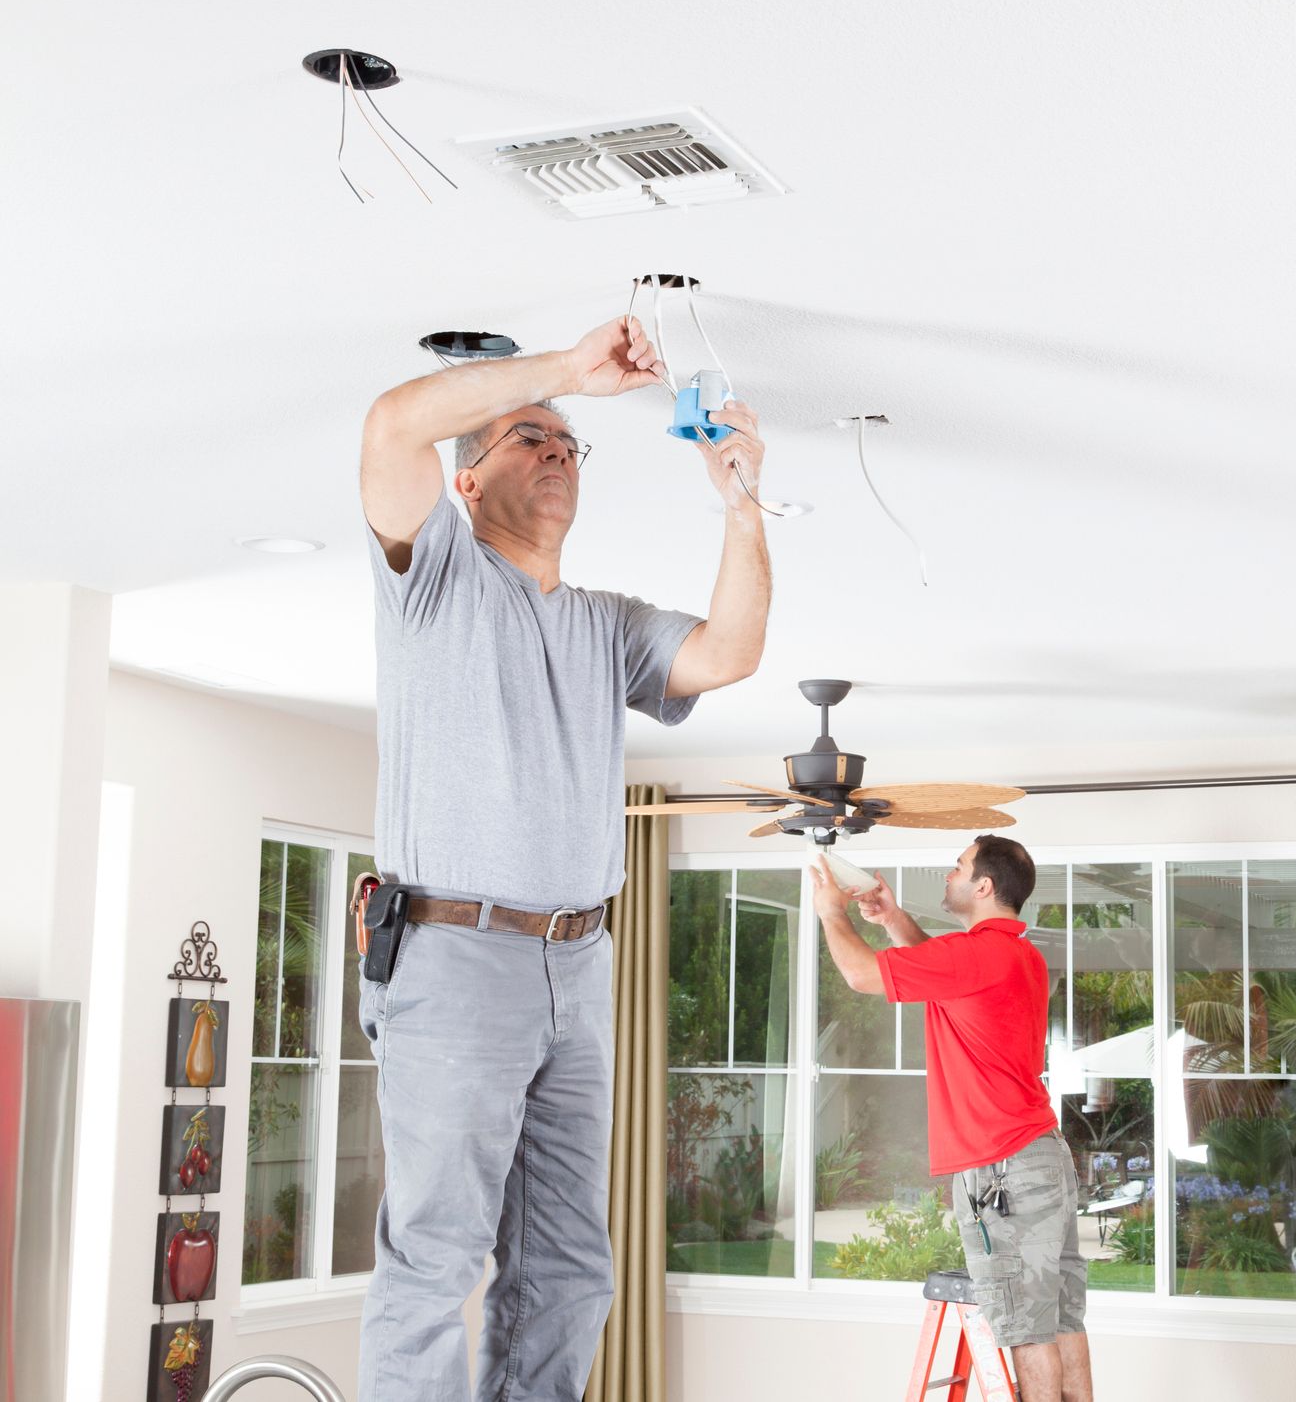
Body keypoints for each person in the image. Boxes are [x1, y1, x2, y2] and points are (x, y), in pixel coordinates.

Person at [357, 313, 770, 1402]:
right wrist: (567, 376)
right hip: (454, 957)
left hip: (579, 965)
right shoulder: (432, 579)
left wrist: (741, 503)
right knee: (436, 1253)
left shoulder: (606, 623)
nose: (556, 451)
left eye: (566, 442)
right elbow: (394, 422)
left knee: (569, 1267)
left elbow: (727, 650)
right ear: (468, 481)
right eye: (528, 438)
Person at [811, 837, 1093, 1402]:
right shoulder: (1013, 954)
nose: (949, 874)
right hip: (1039, 1155)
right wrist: (893, 919)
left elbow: (861, 975)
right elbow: (939, 978)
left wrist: (831, 912)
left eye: (958, 867)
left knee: (1025, 1326)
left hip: (1004, 1169)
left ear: (984, 886)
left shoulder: (977, 954)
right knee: (1061, 1318)